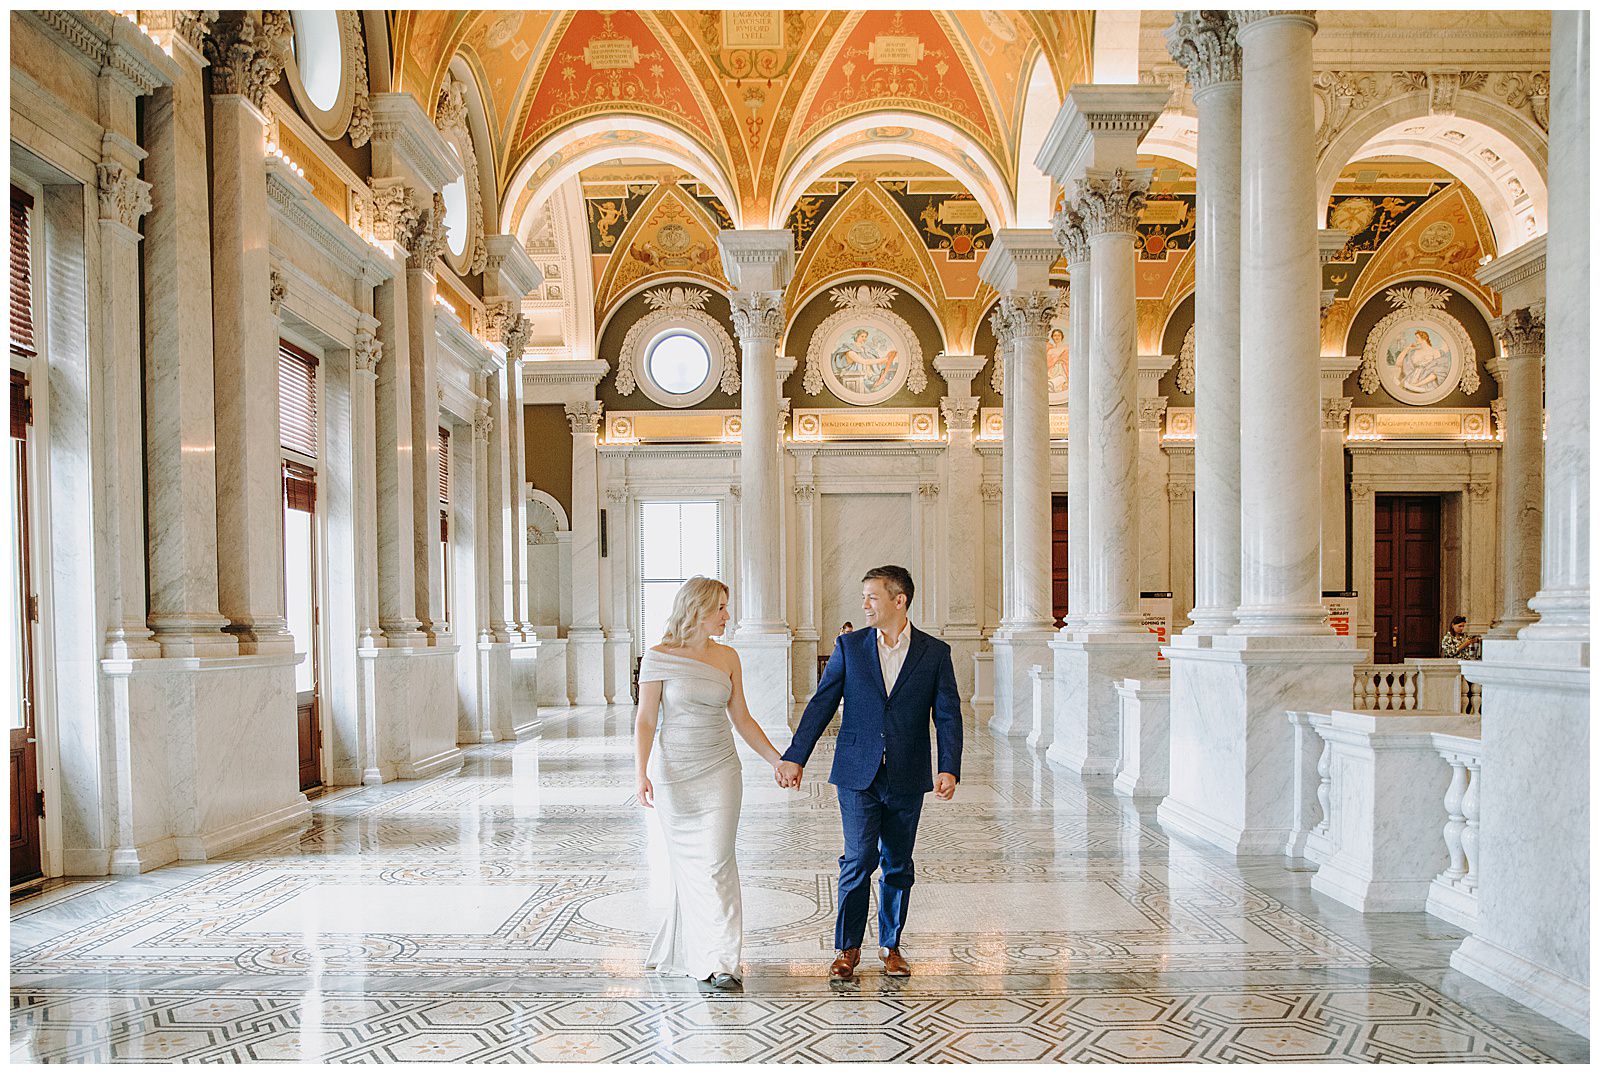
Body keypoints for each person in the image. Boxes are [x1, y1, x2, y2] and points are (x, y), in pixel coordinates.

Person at [775, 565, 963, 981]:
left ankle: (891, 946)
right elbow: (822, 703)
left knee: (898, 864)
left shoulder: (935, 653)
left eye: (872, 597)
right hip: (857, 773)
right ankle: (847, 949)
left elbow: (949, 715)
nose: (864, 605)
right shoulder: (850, 647)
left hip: (908, 774)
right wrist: (795, 756)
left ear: (900, 601)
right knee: (858, 861)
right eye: (863, 596)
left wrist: (948, 766)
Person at [635, 576, 784, 991]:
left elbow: (743, 718)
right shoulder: (658, 656)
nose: (727, 615)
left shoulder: (729, 658)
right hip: (674, 775)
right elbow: (646, 720)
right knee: (690, 868)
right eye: (720, 607)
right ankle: (698, 951)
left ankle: (723, 962)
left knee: (718, 862)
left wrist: (778, 760)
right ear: (697, 609)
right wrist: (640, 772)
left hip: (720, 769)